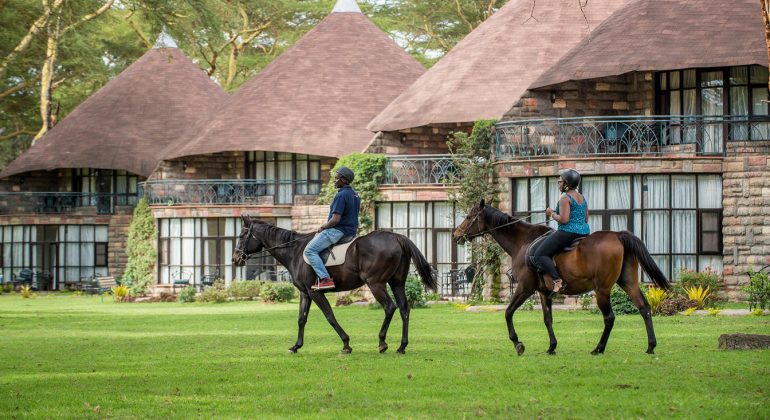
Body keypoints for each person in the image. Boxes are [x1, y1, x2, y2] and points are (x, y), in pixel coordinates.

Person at [531, 169, 590, 296]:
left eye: (560, 182)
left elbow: (564, 220)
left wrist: (551, 213)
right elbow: (586, 219)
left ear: (567, 184)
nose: (559, 184)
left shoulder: (565, 198)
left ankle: (557, 281)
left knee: (539, 255)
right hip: (584, 233)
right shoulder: (582, 198)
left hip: (567, 232)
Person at [303, 166, 360, 291]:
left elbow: (335, 220)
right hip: (350, 232)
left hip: (336, 231)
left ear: (344, 180)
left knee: (310, 250)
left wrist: (323, 227)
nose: (334, 181)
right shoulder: (355, 195)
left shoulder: (341, 195)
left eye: (336, 178)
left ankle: (325, 279)